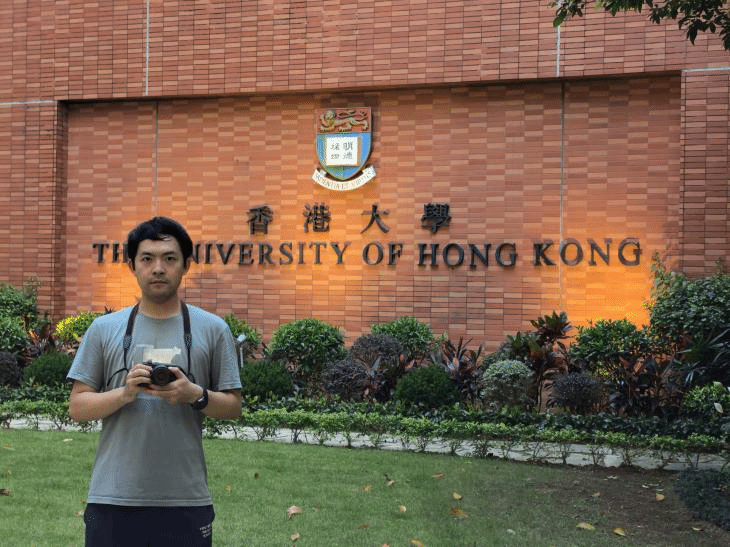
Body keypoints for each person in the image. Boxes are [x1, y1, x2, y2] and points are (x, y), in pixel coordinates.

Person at [67, 216, 242, 547]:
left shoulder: (213, 329)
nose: (158, 268)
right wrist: (124, 393)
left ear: (186, 265)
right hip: (113, 497)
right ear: (132, 266)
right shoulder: (104, 329)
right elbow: (77, 406)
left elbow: (233, 407)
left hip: (185, 498)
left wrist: (194, 394)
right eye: (147, 259)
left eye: (169, 258)